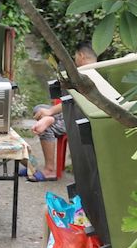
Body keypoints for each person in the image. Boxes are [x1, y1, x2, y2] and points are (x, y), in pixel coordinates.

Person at [27, 43, 97, 181]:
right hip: (71, 113)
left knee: (46, 125)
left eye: (75, 56)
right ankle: (49, 120)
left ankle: (50, 170)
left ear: (81, 55)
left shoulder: (87, 73)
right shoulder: (97, 71)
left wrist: (51, 112)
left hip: (79, 120)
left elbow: (74, 100)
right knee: (40, 110)